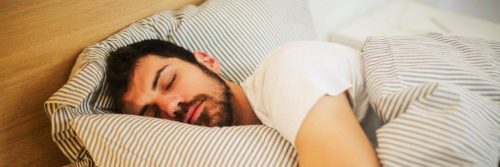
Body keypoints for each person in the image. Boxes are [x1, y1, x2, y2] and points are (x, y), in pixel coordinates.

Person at [106, 39, 380, 166]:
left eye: (168, 82)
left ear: (207, 62)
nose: (171, 107)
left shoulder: (285, 70)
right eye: (153, 114)